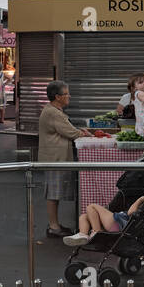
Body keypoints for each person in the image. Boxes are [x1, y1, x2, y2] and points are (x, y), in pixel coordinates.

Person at [39, 80, 91, 237]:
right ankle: (54, 227)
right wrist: (83, 133)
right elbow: (71, 133)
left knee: (55, 193)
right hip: (55, 158)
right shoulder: (53, 112)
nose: (69, 96)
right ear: (58, 97)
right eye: (67, 94)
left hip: (56, 157)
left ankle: (55, 225)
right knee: (53, 194)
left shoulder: (53, 110)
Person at [63, 196, 144, 247]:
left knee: (91, 207)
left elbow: (131, 212)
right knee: (84, 217)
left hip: (117, 222)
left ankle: (97, 231)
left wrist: (140, 200)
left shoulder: (137, 211)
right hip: (114, 223)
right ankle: (83, 235)